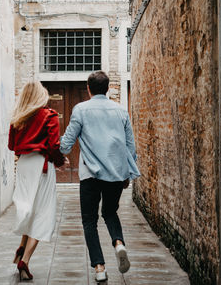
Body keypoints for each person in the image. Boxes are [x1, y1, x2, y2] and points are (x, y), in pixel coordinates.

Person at [60, 71, 140, 282]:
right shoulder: (121, 111)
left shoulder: (81, 110)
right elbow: (130, 147)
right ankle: (119, 243)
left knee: (89, 221)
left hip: (90, 176)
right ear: (108, 88)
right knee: (110, 213)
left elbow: (66, 144)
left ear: (89, 88)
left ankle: (99, 268)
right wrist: (128, 173)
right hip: (115, 173)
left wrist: (57, 149)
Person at [8, 81, 66, 281]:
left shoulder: (18, 118)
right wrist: (60, 161)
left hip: (24, 164)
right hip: (41, 165)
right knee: (43, 212)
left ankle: (21, 248)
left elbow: (11, 145)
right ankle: (25, 259)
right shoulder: (49, 115)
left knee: (29, 207)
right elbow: (53, 145)